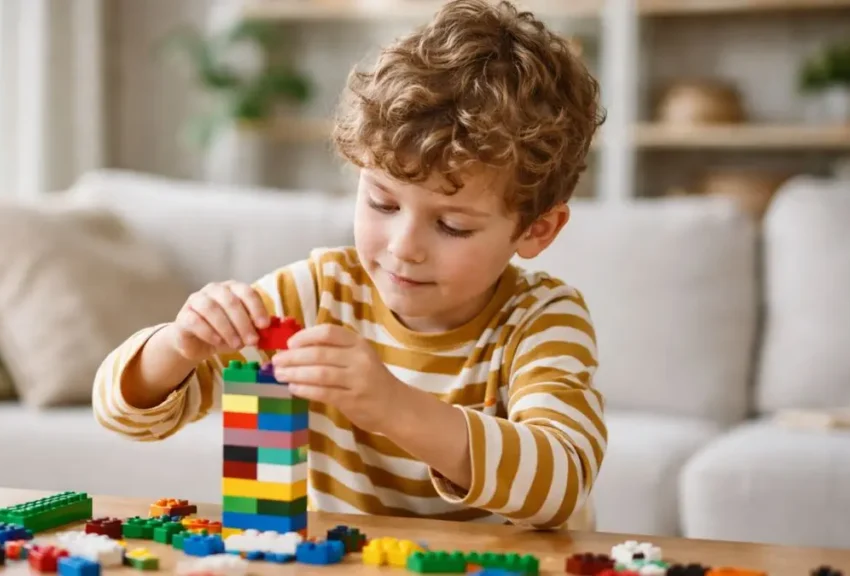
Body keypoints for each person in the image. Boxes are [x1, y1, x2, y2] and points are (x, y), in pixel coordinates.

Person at [93, 0, 606, 530]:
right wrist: (179, 345)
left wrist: (394, 406)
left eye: (452, 226)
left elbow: (561, 483)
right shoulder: (315, 295)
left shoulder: (542, 320)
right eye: (383, 203)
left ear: (536, 229)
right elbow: (122, 414)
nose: (404, 247)